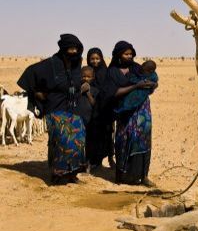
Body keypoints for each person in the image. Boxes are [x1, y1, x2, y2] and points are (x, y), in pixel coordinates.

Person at [17, 33, 87, 184]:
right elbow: (30, 74)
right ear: (63, 49)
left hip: (73, 108)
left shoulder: (77, 64)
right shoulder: (51, 64)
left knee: (78, 140)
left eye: (76, 49)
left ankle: (72, 173)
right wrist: (38, 94)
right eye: (70, 49)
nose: (74, 52)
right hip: (55, 107)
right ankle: (59, 175)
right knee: (62, 140)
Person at [102, 41, 156, 186]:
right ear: (119, 55)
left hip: (142, 111)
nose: (129, 56)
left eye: (131, 54)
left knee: (143, 139)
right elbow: (113, 92)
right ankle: (122, 176)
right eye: (126, 54)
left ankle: (143, 176)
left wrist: (152, 85)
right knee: (124, 140)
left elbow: (151, 78)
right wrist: (136, 86)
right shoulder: (112, 72)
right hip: (124, 112)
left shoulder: (137, 68)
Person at [85, 48, 115, 169]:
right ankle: (93, 161)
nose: (95, 61)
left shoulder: (105, 72)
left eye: (97, 58)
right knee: (92, 136)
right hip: (91, 112)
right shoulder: (87, 72)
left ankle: (108, 159)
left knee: (106, 136)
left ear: (101, 58)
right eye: (92, 59)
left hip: (104, 110)